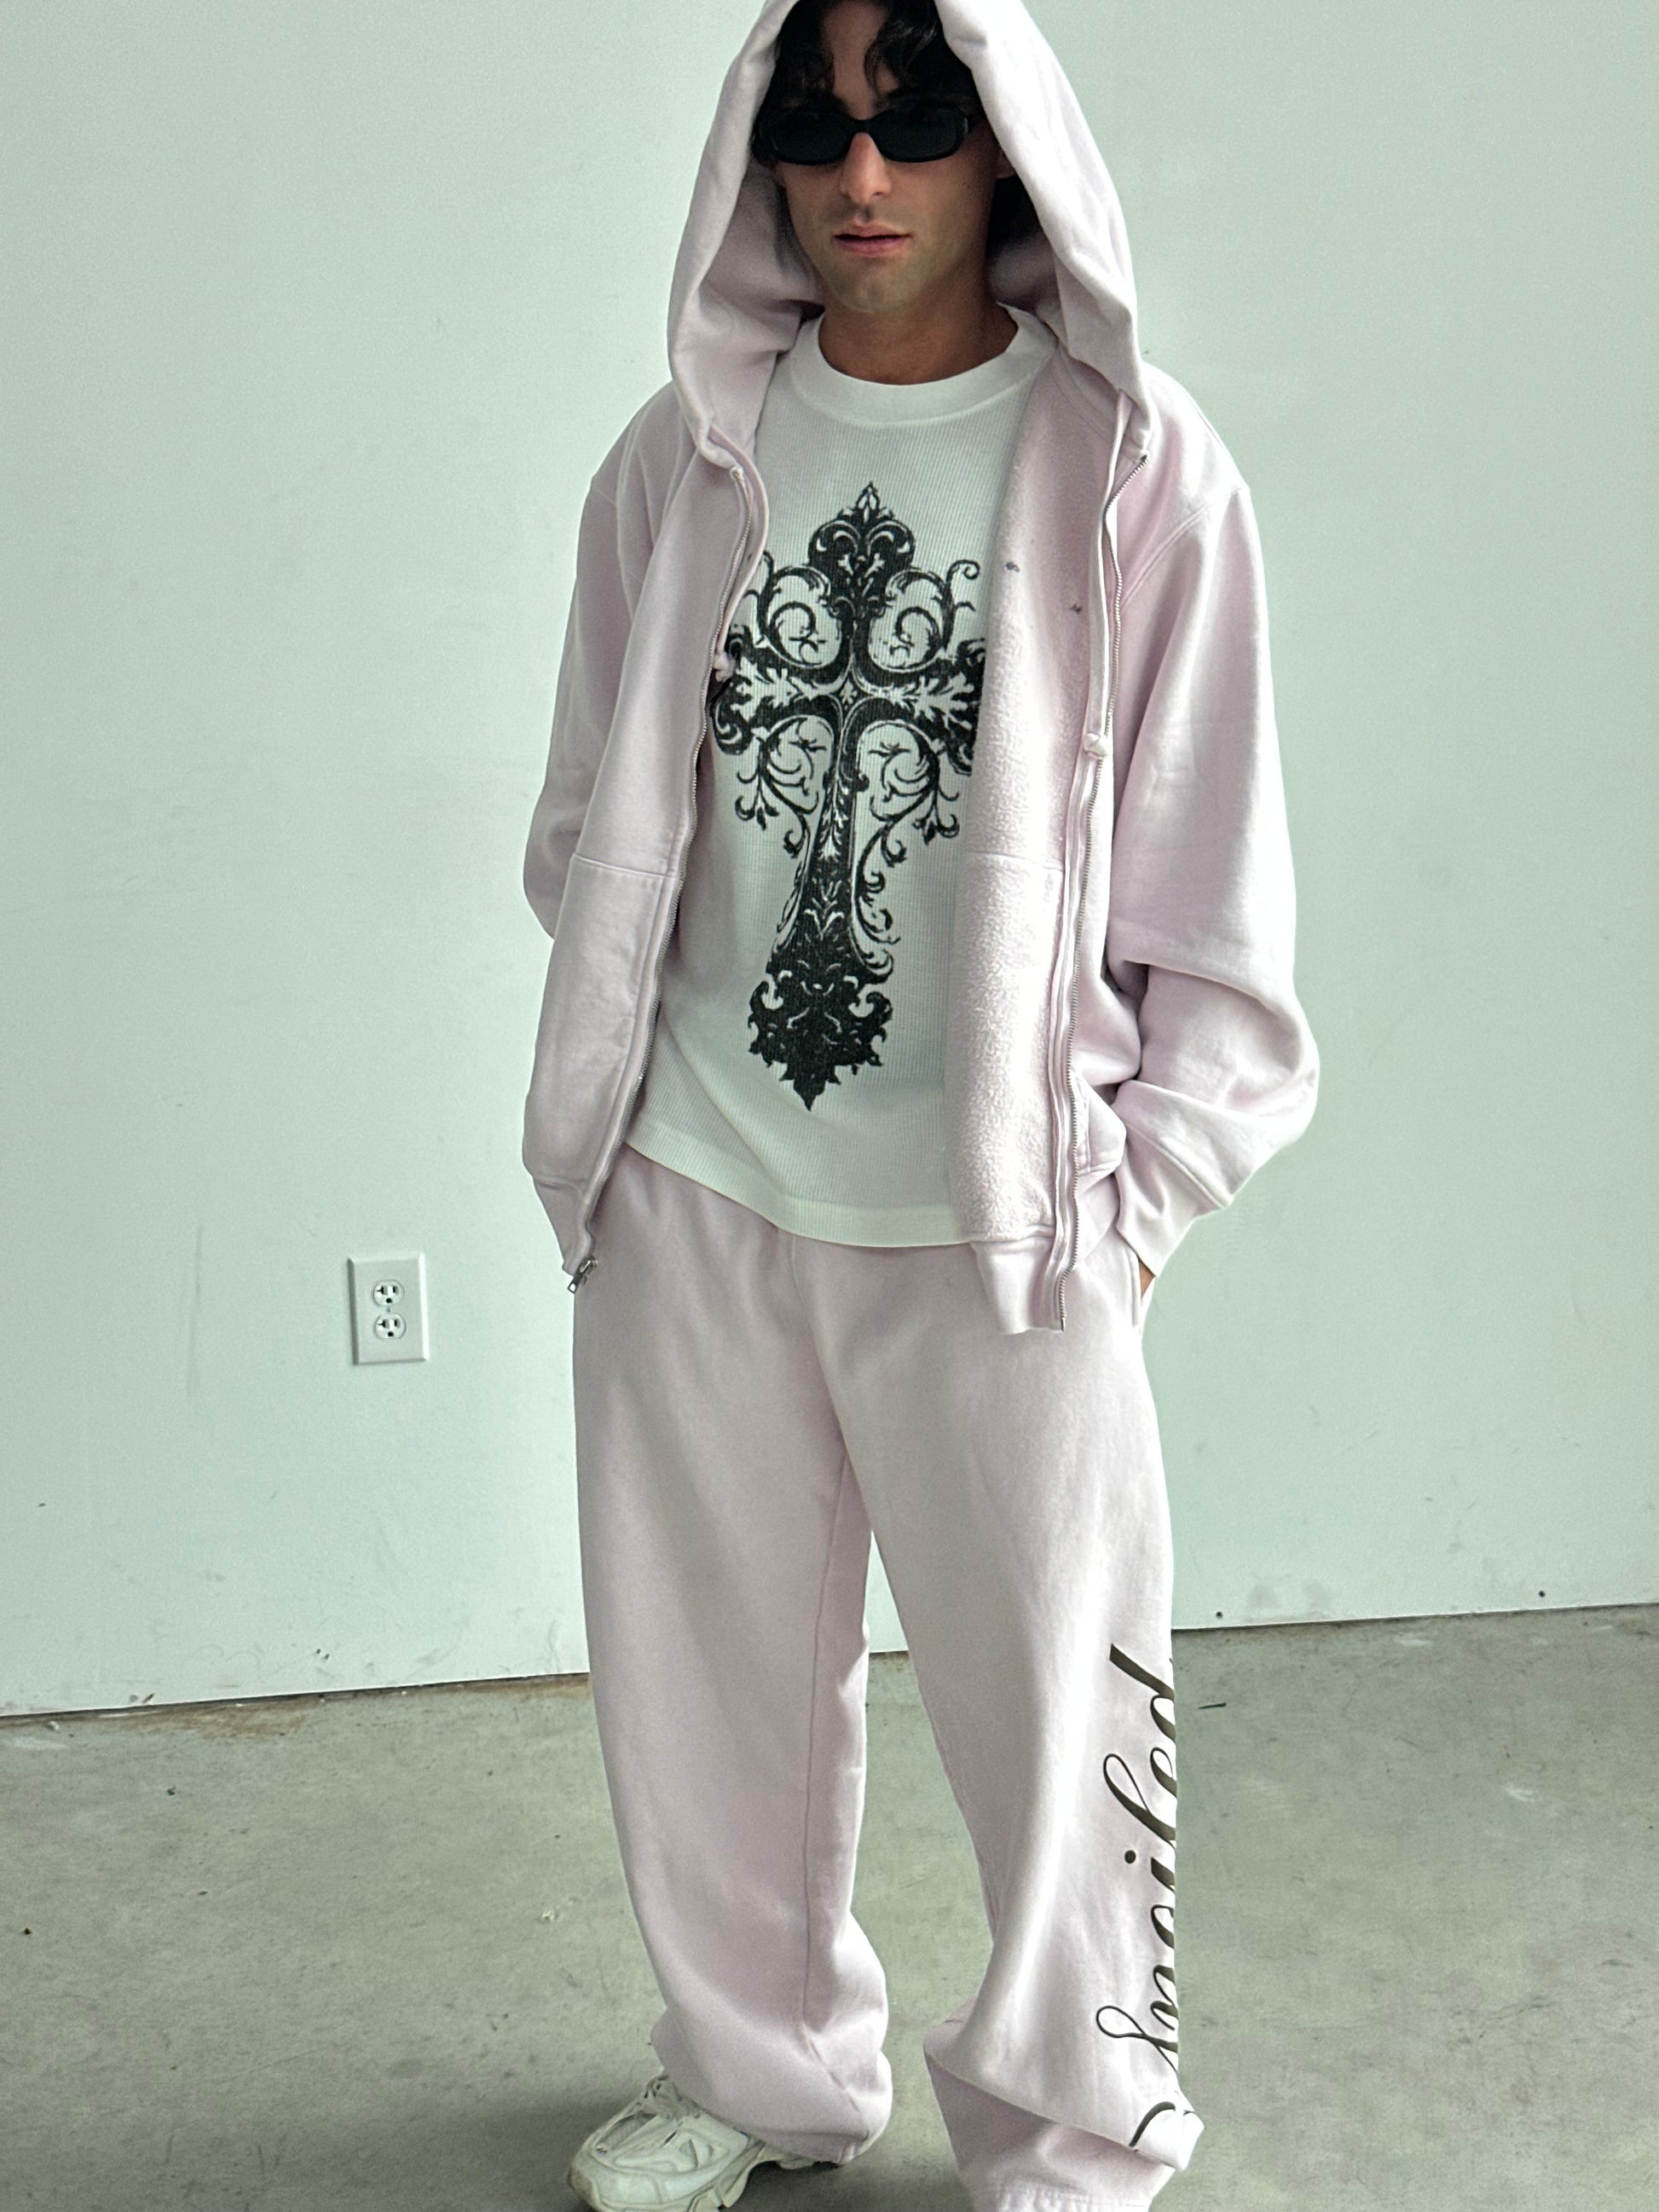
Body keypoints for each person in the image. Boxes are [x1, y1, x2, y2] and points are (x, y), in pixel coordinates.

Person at [521, 1, 1319, 2205]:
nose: (862, 172)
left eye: (917, 116)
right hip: (697, 1185)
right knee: (704, 1698)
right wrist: (614, 1110)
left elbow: (1216, 902)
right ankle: (762, 2070)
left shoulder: (1135, 471)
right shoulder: (681, 460)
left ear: (1010, 141)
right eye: (815, 122)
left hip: (1007, 1224)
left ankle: (1078, 2123)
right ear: (757, 156)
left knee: (1060, 1713)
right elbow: (591, 818)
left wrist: (1138, 1197)